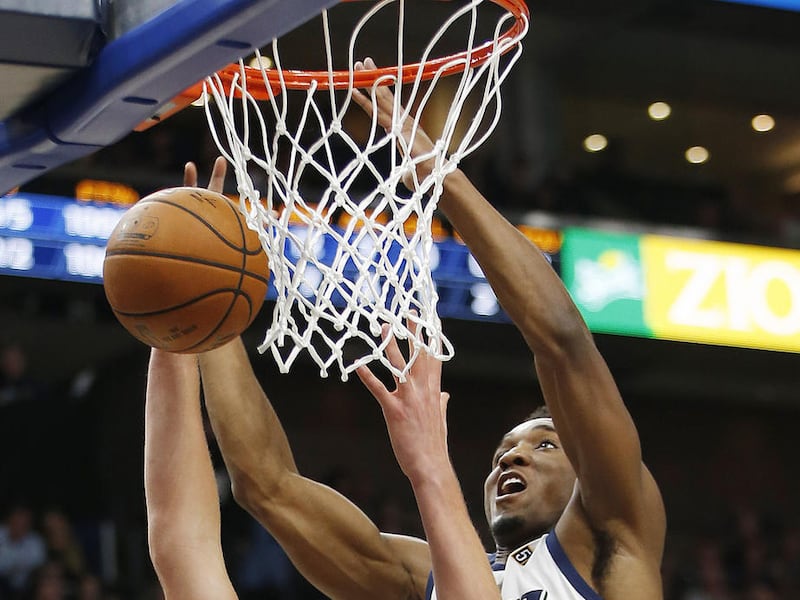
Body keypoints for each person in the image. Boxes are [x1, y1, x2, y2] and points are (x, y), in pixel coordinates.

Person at [188, 55, 665, 600]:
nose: (511, 458)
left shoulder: (614, 542)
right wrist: (210, 305)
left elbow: (563, 345)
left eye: (546, 446)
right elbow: (268, 488)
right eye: (503, 453)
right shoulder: (426, 579)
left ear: (590, 473)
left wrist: (441, 176)